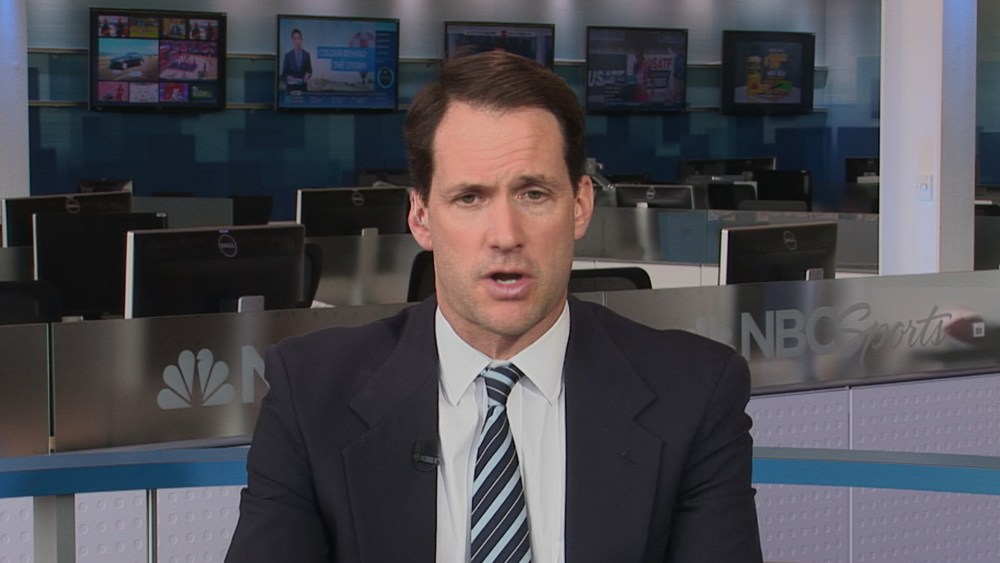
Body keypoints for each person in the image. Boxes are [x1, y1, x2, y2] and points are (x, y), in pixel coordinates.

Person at [226, 50, 761, 562]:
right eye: (470, 198)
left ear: (580, 205)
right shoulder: (312, 392)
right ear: (421, 217)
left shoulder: (694, 393)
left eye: (533, 194)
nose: (505, 235)